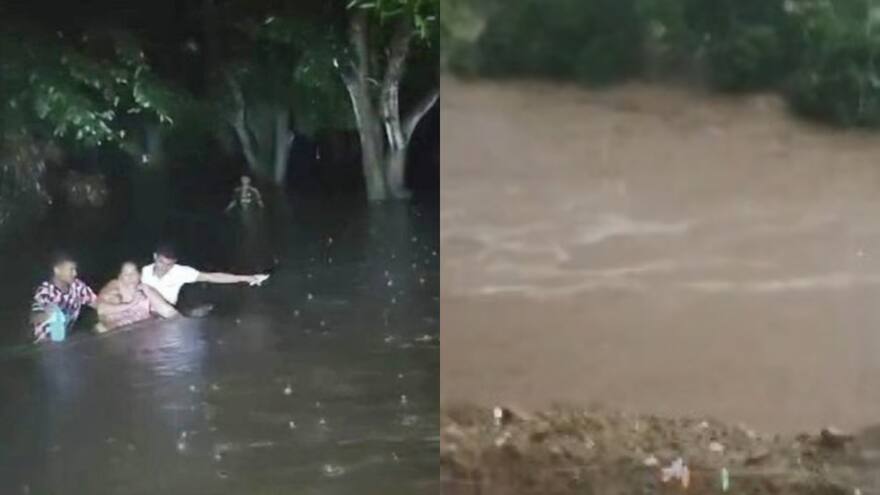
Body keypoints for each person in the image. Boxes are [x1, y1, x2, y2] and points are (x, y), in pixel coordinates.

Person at [141, 244, 269, 307]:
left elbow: (211, 277)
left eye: (169, 265)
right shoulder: (142, 271)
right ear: (154, 257)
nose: (164, 268)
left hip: (165, 310)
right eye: (161, 262)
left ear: (175, 263)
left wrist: (247, 278)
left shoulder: (180, 272)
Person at [30, 252, 98, 343]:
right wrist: (50, 315)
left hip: (66, 339)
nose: (75, 273)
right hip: (45, 343)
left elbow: (97, 303)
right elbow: (34, 317)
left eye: (75, 269)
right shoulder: (45, 292)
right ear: (57, 270)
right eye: (71, 269)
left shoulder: (77, 286)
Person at [96, 261, 179, 332]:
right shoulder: (114, 287)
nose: (130, 276)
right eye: (126, 274)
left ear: (139, 275)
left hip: (138, 334)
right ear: (120, 277)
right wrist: (131, 304)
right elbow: (101, 309)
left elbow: (168, 312)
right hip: (113, 335)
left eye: (133, 272)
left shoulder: (145, 289)